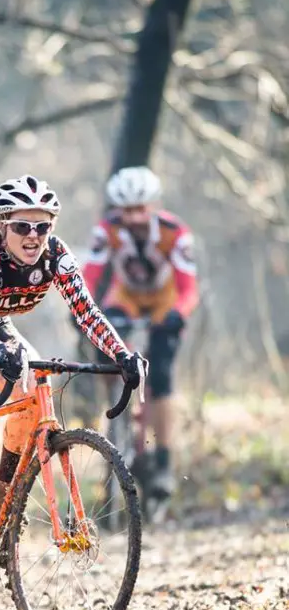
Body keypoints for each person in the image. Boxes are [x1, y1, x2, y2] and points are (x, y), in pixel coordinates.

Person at [0, 174, 147, 596]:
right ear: (3, 225)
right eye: (22, 226)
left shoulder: (56, 257)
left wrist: (121, 354)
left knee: (37, 389)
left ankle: (3, 478)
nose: (33, 236)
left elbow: (87, 313)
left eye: (42, 226)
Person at [82, 165, 199, 499]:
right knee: (110, 348)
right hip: (127, 297)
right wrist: (83, 310)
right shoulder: (107, 231)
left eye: (140, 209)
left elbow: (189, 288)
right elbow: (89, 276)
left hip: (165, 300)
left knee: (161, 376)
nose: (133, 217)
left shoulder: (175, 231)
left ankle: (163, 458)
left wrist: (179, 313)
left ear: (153, 204)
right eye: (127, 210)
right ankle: (117, 420)